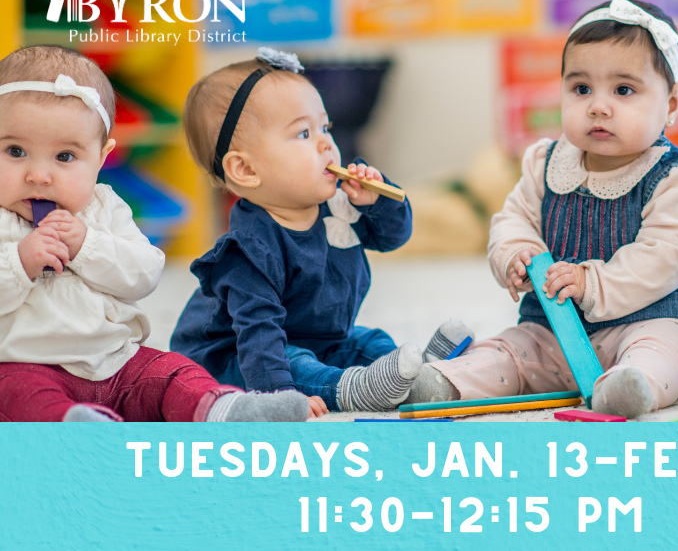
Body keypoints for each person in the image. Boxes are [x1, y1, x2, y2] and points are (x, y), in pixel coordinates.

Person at [409, 0, 678, 418]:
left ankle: (634, 385)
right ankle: (452, 381)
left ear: (671, 103)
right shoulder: (545, 163)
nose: (598, 105)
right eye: (581, 89)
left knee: (677, 348)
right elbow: (513, 218)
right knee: (515, 349)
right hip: (559, 330)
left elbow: (664, 258)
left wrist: (590, 282)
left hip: (663, 315)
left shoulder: (673, 178)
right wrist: (514, 254)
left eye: (623, 90)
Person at [0, 45, 308, 422]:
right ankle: (75, 427)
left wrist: (87, 245)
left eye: (64, 157)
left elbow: (143, 273)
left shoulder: (104, 207)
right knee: (14, 395)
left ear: (101, 157)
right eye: (15, 151)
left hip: (118, 362)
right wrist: (19, 262)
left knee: (171, 370)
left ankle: (223, 408)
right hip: (26, 365)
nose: (39, 175)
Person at [171, 48, 472, 414]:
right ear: (246, 170)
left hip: (323, 339)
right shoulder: (247, 251)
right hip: (242, 357)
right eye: (303, 133)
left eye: (325, 127)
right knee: (295, 363)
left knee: (371, 342)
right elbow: (258, 334)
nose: (326, 143)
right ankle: (352, 390)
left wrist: (376, 203)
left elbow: (393, 237)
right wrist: (280, 398)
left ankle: (421, 375)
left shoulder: (338, 203)